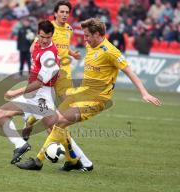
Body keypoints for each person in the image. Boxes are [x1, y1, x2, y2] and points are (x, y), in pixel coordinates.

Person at [18, 18, 161, 171]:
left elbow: (129, 71)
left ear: (98, 34)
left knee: (59, 121)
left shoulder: (110, 52)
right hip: (82, 92)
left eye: (87, 35)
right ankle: (72, 160)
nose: (84, 39)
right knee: (52, 121)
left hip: (96, 99)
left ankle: (38, 161)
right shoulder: (90, 45)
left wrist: (144, 93)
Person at [27, 0, 94, 171]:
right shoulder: (49, 29)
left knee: (65, 116)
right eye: (61, 11)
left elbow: (64, 48)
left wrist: (72, 53)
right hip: (49, 77)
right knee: (54, 120)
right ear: (55, 13)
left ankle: (72, 157)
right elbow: (34, 47)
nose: (64, 14)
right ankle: (76, 159)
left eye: (67, 12)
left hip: (64, 76)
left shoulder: (69, 29)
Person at [0, 20, 59, 164]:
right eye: (41, 36)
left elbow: (39, 83)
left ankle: (77, 159)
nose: (44, 40)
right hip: (31, 95)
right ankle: (20, 144)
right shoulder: (37, 43)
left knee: (55, 131)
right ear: (38, 34)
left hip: (43, 95)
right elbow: (32, 50)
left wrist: (14, 92)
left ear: (52, 36)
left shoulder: (49, 55)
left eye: (48, 37)